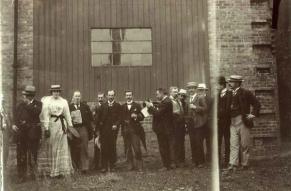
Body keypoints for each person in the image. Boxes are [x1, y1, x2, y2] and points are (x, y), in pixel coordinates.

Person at [227, 75, 261, 171]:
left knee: (244, 144)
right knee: (233, 144)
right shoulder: (229, 94)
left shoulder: (246, 93)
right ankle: (233, 164)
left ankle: (245, 164)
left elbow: (257, 104)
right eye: (229, 81)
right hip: (232, 122)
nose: (229, 83)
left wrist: (253, 114)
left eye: (232, 82)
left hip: (243, 121)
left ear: (237, 83)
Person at [42, 84, 74, 177]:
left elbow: (67, 114)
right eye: (54, 91)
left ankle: (62, 170)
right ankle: (53, 170)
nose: (56, 93)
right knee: (53, 146)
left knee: (62, 145)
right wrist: (46, 128)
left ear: (60, 92)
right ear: (51, 92)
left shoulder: (64, 101)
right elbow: (45, 115)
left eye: (57, 91)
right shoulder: (47, 101)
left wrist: (70, 127)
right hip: (52, 124)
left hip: (61, 125)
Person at [12, 85, 42, 182]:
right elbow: (16, 116)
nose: (25, 97)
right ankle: (21, 175)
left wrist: (28, 104)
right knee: (21, 154)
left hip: (33, 133)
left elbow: (35, 113)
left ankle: (33, 174)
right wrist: (13, 124)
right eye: (25, 95)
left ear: (32, 96)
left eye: (28, 95)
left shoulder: (38, 104)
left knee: (33, 154)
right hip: (22, 133)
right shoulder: (20, 105)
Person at [145, 88, 175, 171]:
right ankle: (169, 164)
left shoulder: (167, 102)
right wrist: (153, 105)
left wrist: (150, 106)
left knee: (163, 147)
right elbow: (159, 109)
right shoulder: (165, 101)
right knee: (165, 146)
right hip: (164, 129)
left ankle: (166, 165)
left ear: (162, 94)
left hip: (163, 129)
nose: (156, 96)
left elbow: (158, 113)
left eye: (157, 94)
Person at [69, 91, 93, 173]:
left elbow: (90, 118)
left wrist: (89, 130)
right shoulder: (69, 107)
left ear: (81, 97)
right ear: (73, 97)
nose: (77, 98)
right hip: (73, 129)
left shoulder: (85, 106)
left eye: (79, 96)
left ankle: (84, 167)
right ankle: (75, 166)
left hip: (83, 128)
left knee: (84, 147)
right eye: (76, 96)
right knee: (74, 147)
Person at [120, 91, 145, 171]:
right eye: (127, 95)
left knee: (137, 148)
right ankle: (130, 164)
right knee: (127, 149)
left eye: (130, 95)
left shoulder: (137, 105)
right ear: (125, 96)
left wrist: (136, 116)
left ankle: (139, 165)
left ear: (132, 96)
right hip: (125, 130)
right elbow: (120, 118)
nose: (128, 97)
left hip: (135, 130)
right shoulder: (122, 106)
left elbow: (142, 116)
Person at [98, 90, 121, 172]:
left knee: (112, 147)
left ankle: (112, 165)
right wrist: (99, 127)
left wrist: (116, 124)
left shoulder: (118, 106)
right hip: (104, 130)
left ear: (114, 96)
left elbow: (119, 118)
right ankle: (104, 166)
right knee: (104, 147)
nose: (111, 97)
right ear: (107, 96)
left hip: (113, 130)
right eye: (109, 95)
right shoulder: (103, 106)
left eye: (112, 95)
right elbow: (99, 117)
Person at [186, 82, 208, 168]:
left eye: (192, 88)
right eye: (189, 88)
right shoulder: (188, 99)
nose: (191, 90)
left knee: (198, 142)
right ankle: (194, 161)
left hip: (198, 123)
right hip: (190, 123)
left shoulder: (200, 97)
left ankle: (200, 161)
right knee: (192, 142)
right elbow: (187, 111)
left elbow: (205, 109)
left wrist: (196, 108)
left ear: (195, 89)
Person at [217, 76, 232, 168]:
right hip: (219, 122)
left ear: (222, 85)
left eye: (217, 85)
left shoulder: (229, 94)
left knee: (227, 141)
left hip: (227, 121)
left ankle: (227, 161)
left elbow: (227, 109)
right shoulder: (218, 94)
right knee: (218, 141)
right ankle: (218, 162)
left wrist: (219, 115)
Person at [169, 87, 184, 167]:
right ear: (170, 92)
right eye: (174, 92)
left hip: (179, 124)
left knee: (178, 142)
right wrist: (176, 113)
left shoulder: (178, 100)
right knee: (173, 143)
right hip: (173, 125)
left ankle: (178, 160)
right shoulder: (169, 101)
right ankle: (172, 161)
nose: (176, 93)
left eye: (177, 92)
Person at [93, 92, 105, 170]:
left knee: (104, 146)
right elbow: (92, 119)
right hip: (97, 129)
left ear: (104, 98)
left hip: (104, 129)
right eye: (99, 98)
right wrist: (94, 128)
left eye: (101, 98)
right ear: (97, 98)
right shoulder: (94, 107)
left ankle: (103, 164)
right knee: (96, 146)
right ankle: (96, 164)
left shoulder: (106, 106)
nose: (100, 99)